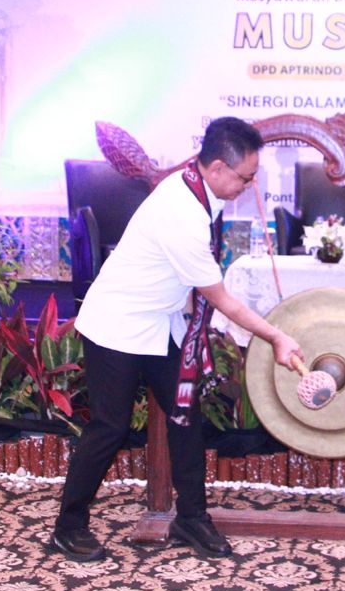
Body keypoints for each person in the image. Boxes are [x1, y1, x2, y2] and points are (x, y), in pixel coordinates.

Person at [50, 117, 303, 562]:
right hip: (118, 323)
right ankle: (68, 527)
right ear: (218, 167)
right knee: (109, 427)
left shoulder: (199, 186)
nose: (249, 186)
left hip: (159, 322)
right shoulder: (181, 212)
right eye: (246, 178)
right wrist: (277, 337)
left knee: (185, 415)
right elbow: (224, 301)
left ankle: (191, 517)